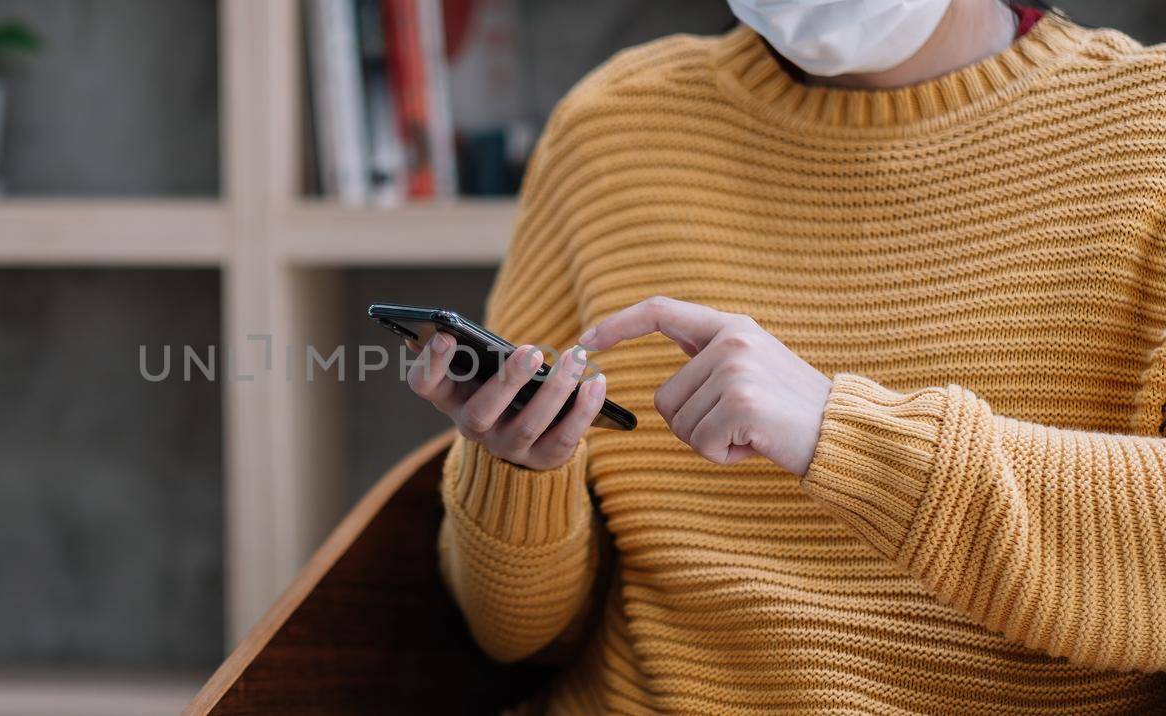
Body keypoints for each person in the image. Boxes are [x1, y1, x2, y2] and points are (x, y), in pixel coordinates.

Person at [404, 0, 1166, 712]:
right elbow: (516, 637)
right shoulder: (608, 128)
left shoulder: (1145, 127)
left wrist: (841, 433)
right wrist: (519, 475)